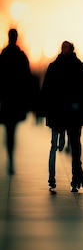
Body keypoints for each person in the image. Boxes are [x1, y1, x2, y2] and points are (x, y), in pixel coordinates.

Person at [38, 41, 83, 191]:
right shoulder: (75, 67)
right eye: (63, 47)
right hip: (67, 113)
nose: (64, 49)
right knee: (74, 144)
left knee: (73, 144)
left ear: (71, 49)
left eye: (66, 47)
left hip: (68, 113)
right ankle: (74, 176)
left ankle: (75, 176)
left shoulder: (58, 67)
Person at [0, 29, 33, 175]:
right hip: (16, 100)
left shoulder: (3, 55)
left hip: (6, 99)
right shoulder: (21, 56)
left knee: (9, 128)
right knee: (12, 128)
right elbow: (27, 79)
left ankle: (10, 156)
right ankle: (11, 157)